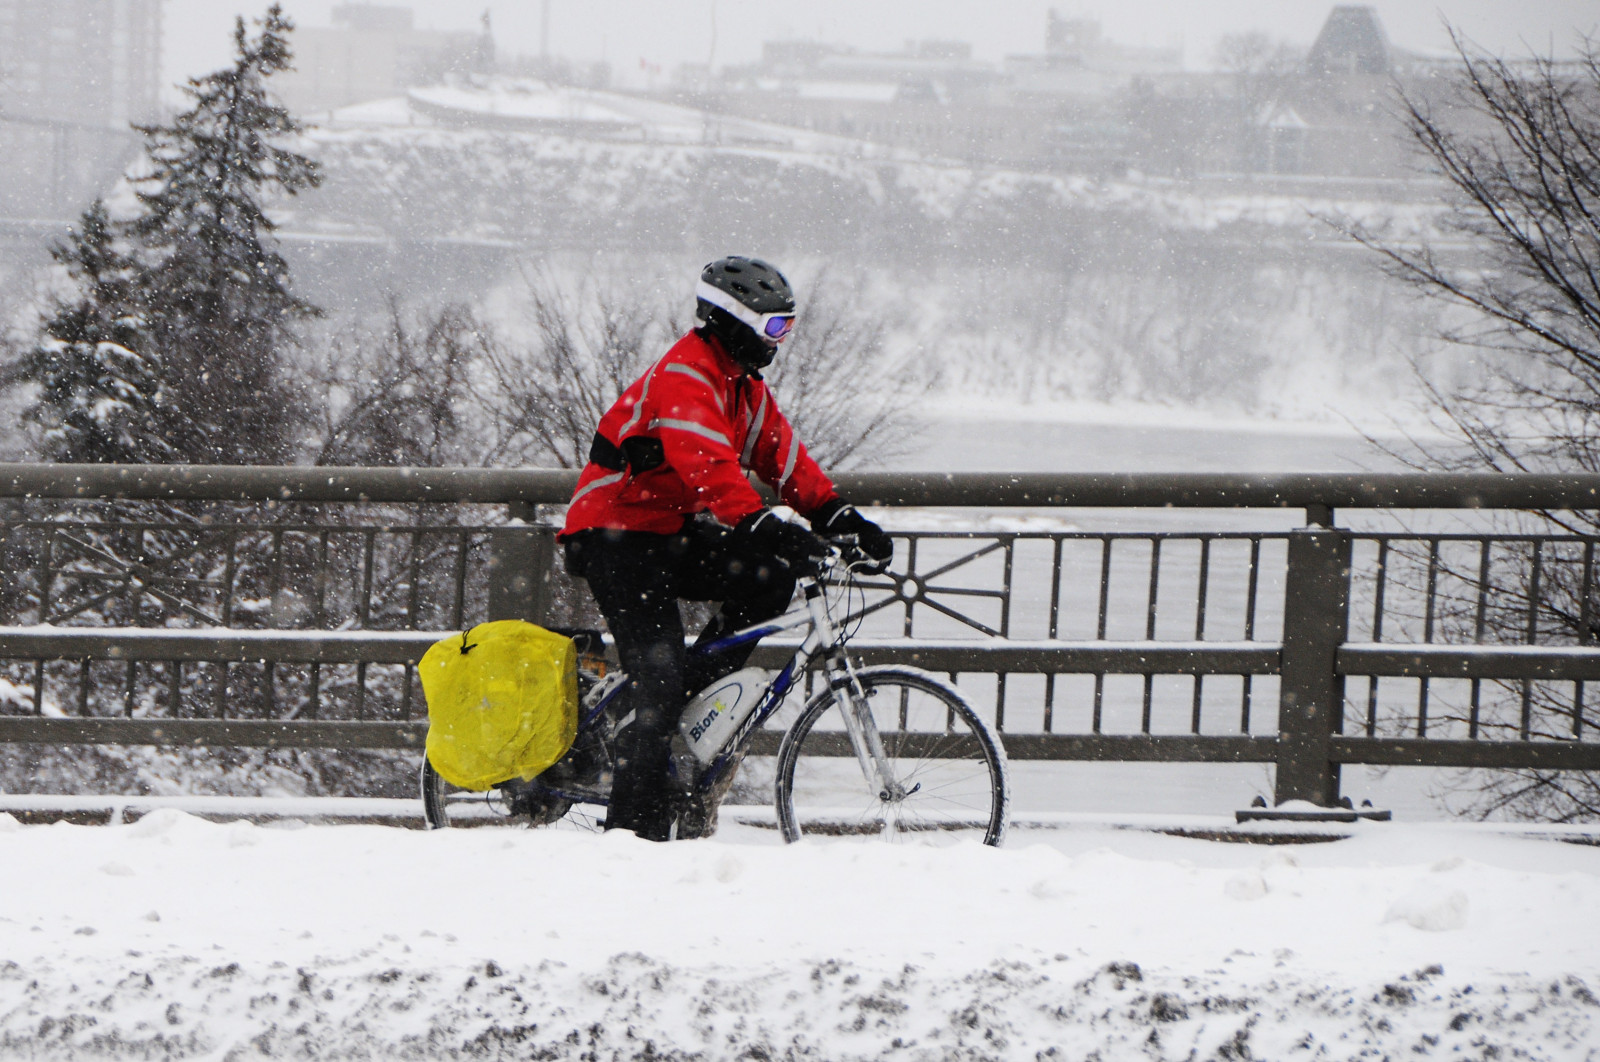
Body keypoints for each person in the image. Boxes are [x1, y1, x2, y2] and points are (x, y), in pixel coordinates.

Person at [557, 256, 894, 841]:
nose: (780, 342)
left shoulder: (742, 386)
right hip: (612, 535)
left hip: (664, 532)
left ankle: (679, 708)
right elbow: (708, 467)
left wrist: (838, 515)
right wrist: (772, 528)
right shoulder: (685, 376)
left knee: (766, 580)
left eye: (787, 328)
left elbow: (782, 459)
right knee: (658, 680)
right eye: (773, 328)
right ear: (732, 320)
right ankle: (635, 834)